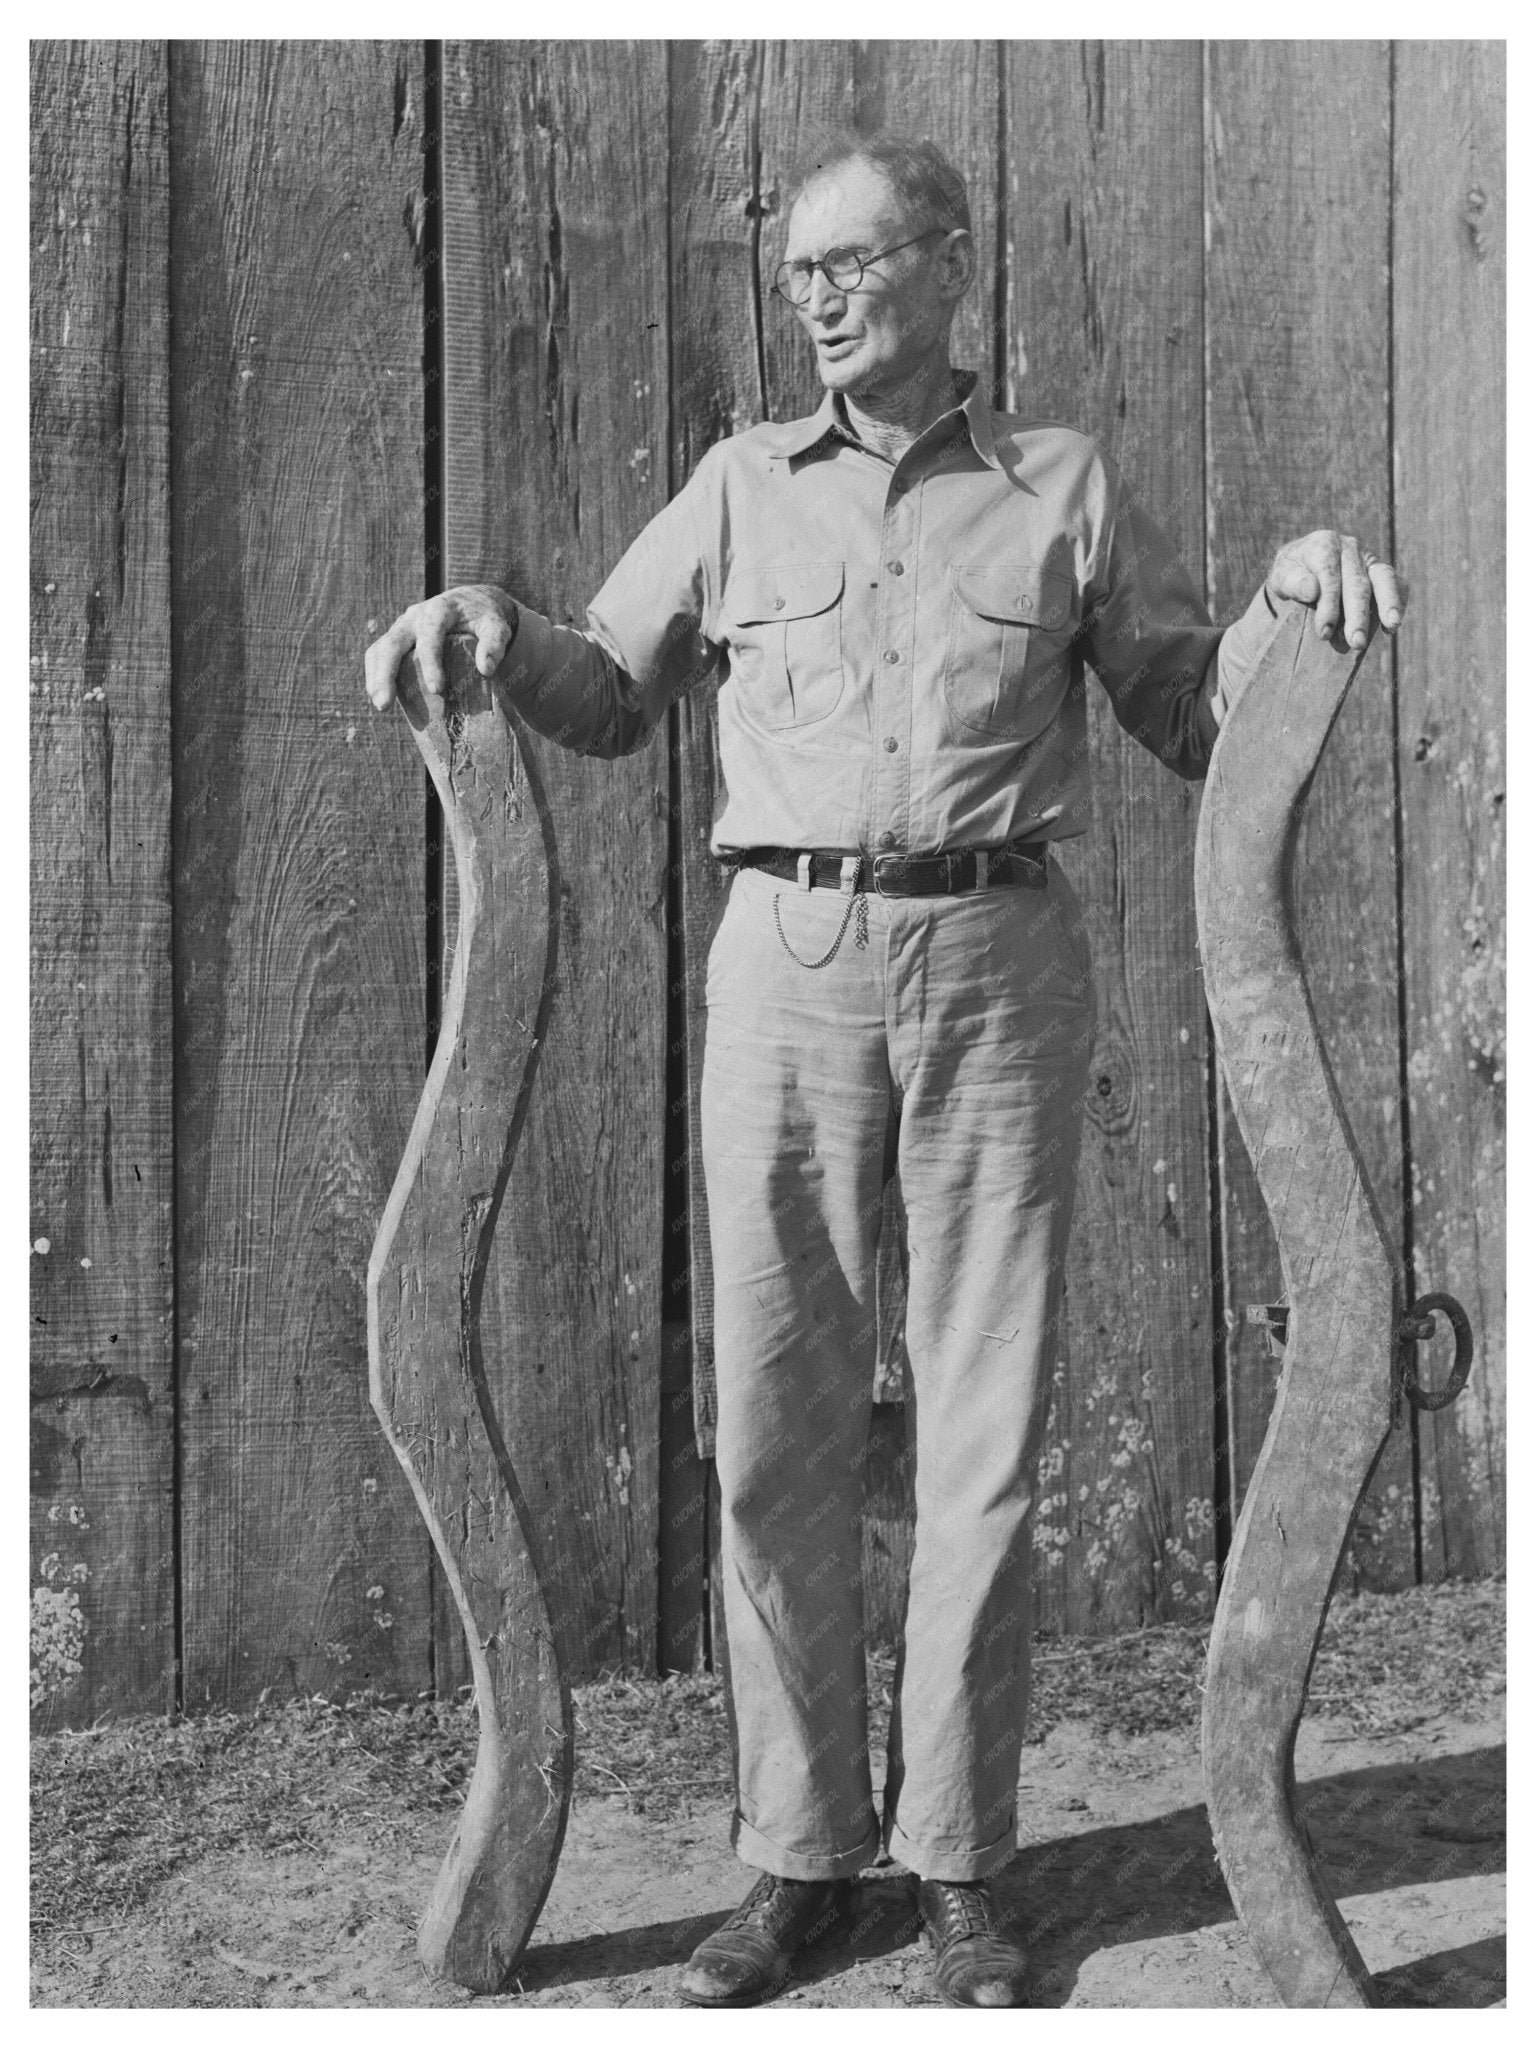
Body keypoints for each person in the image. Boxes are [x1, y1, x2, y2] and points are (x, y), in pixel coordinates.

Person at [365, 129, 1403, 2010]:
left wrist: (1291, 590)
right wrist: (493, 633)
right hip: (788, 967)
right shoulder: (741, 487)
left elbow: (1186, 701)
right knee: (774, 1433)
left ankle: (962, 1870)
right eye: (801, 280)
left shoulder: (1061, 482)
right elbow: (605, 679)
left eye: (850, 266)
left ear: (945, 264)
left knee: (986, 1441)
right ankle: (792, 1863)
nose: (818, 300)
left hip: (1004, 964)